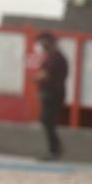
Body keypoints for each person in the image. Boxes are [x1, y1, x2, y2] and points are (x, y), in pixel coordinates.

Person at [34, 32, 68, 160]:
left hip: (53, 95)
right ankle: (55, 148)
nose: (41, 45)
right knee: (47, 121)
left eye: (42, 41)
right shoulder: (52, 56)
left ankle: (54, 150)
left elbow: (45, 74)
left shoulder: (55, 58)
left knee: (48, 121)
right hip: (51, 94)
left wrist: (36, 78)